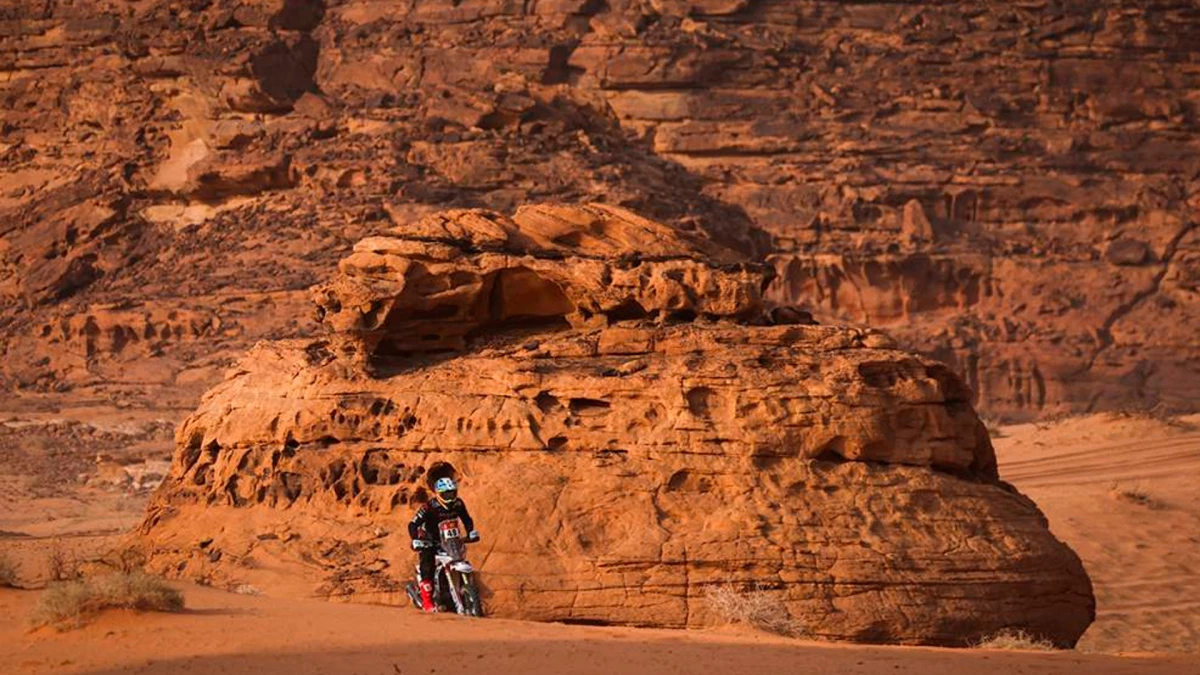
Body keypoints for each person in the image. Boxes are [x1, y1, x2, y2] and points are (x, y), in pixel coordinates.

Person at [408, 476, 479, 612]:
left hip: (450, 543)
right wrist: (415, 538)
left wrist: (470, 532)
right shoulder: (429, 507)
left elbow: (466, 519)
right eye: (446, 494)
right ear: (438, 494)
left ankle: (462, 595)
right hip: (430, 542)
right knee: (427, 566)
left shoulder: (458, 504)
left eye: (452, 493)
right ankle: (428, 602)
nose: (449, 497)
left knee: (461, 559)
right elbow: (413, 524)